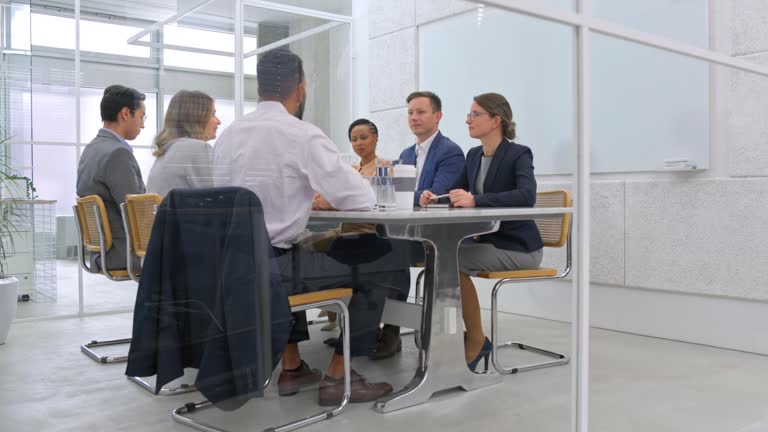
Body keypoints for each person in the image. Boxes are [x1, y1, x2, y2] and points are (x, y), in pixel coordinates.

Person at [213, 49, 411, 406]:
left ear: (259, 88)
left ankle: (292, 367)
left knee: (302, 249)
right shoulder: (301, 134)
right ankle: (338, 374)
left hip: (236, 267)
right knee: (387, 256)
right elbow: (361, 200)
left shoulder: (229, 136)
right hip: (278, 270)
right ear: (300, 88)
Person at [420, 93, 544, 371]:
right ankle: (451, 336)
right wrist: (436, 197)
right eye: (469, 114)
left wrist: (476, 200)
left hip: (519, 248)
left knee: (449, 262)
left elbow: (526, 196)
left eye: (475, 114)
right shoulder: (474, 155)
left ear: (495, 120)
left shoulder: (518, 154)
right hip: (490, 243)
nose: (468, 119)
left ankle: (476, 339)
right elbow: (458, 192)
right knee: (437, 259)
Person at [313, 118, 387, 332]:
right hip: (343, 230)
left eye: (364, 137)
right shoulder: (351, 170)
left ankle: (333, 305)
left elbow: (357, 201)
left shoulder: (384, 168)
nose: (359, 143)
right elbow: (330, 195)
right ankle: (331, 308)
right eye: (354, 139)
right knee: (302, 244)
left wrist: (328, 201)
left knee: (315, 249)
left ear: (376, 138)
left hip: (366, 231)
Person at [76, 84, 146, 272]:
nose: (143, 124)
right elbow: (137, 213)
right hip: (124, 252)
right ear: (125, 114)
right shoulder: (118, 153)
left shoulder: (91, 149)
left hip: (101, 253)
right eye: (141, 116)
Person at [146, 90, 221, 197]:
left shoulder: (167, 151)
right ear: (198, 118)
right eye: (213, 114)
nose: (218, 121)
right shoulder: (197, 148)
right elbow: (215, 198)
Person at [399, 91, 465, 205]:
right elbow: (397, 193)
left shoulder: (450, 151)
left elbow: (438, 194)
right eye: (410, 113)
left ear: (438, 116)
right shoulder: (405, 154)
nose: (413, 118)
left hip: (432, 220)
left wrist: (402, 196)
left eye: (420, 112)